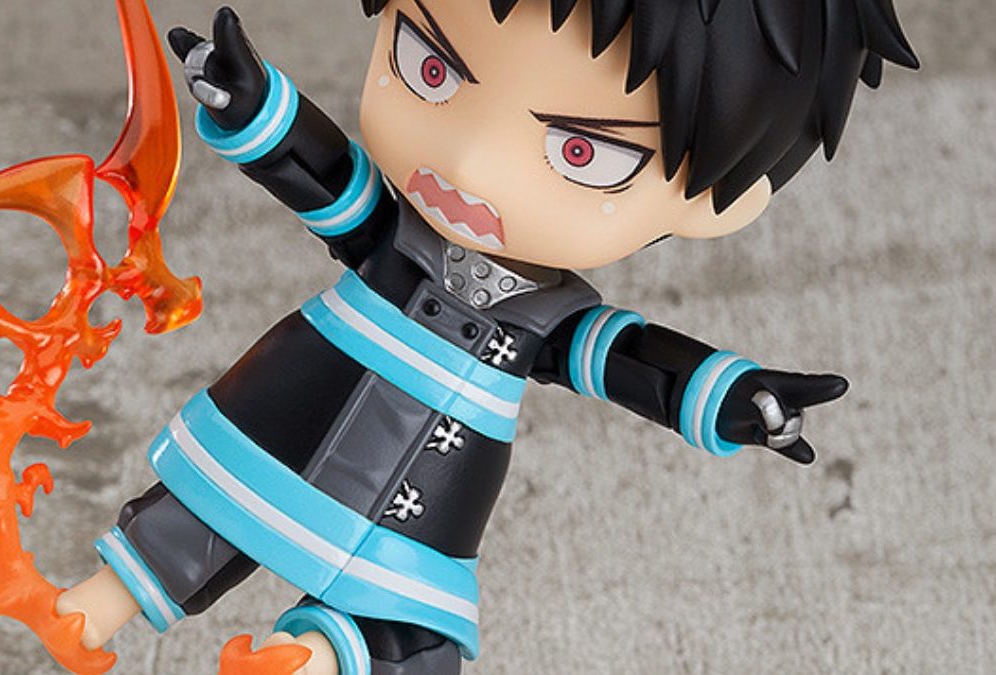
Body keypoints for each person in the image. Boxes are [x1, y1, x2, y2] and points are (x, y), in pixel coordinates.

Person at [56, 1, 917, 673]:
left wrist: (731, 396)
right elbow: (331, 183)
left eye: (581, 152)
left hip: (435, 471)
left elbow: (626, 359)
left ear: (718, 202)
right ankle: (90, 606)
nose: (469, 167)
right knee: (215, 502)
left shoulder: (552, 317)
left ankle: (314, 657)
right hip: (306, 391)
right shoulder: (394, 237)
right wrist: (256, 108)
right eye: (429, 66)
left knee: (405, 610)